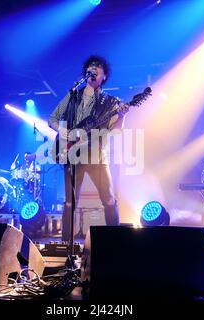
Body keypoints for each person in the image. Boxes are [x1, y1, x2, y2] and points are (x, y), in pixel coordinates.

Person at [48, 55, 129, 242]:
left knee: (109, 200)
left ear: (104, 77)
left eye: (97, 68)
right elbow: (52, 120)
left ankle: (116, 244)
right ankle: (65, 245)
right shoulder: (73, 96)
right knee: (69, 203)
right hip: (72, 154)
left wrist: (123, 116)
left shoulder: (109, 102)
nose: (93, 70)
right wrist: (64, 132)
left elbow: (116, 131)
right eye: (91, 67)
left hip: (97, 155)